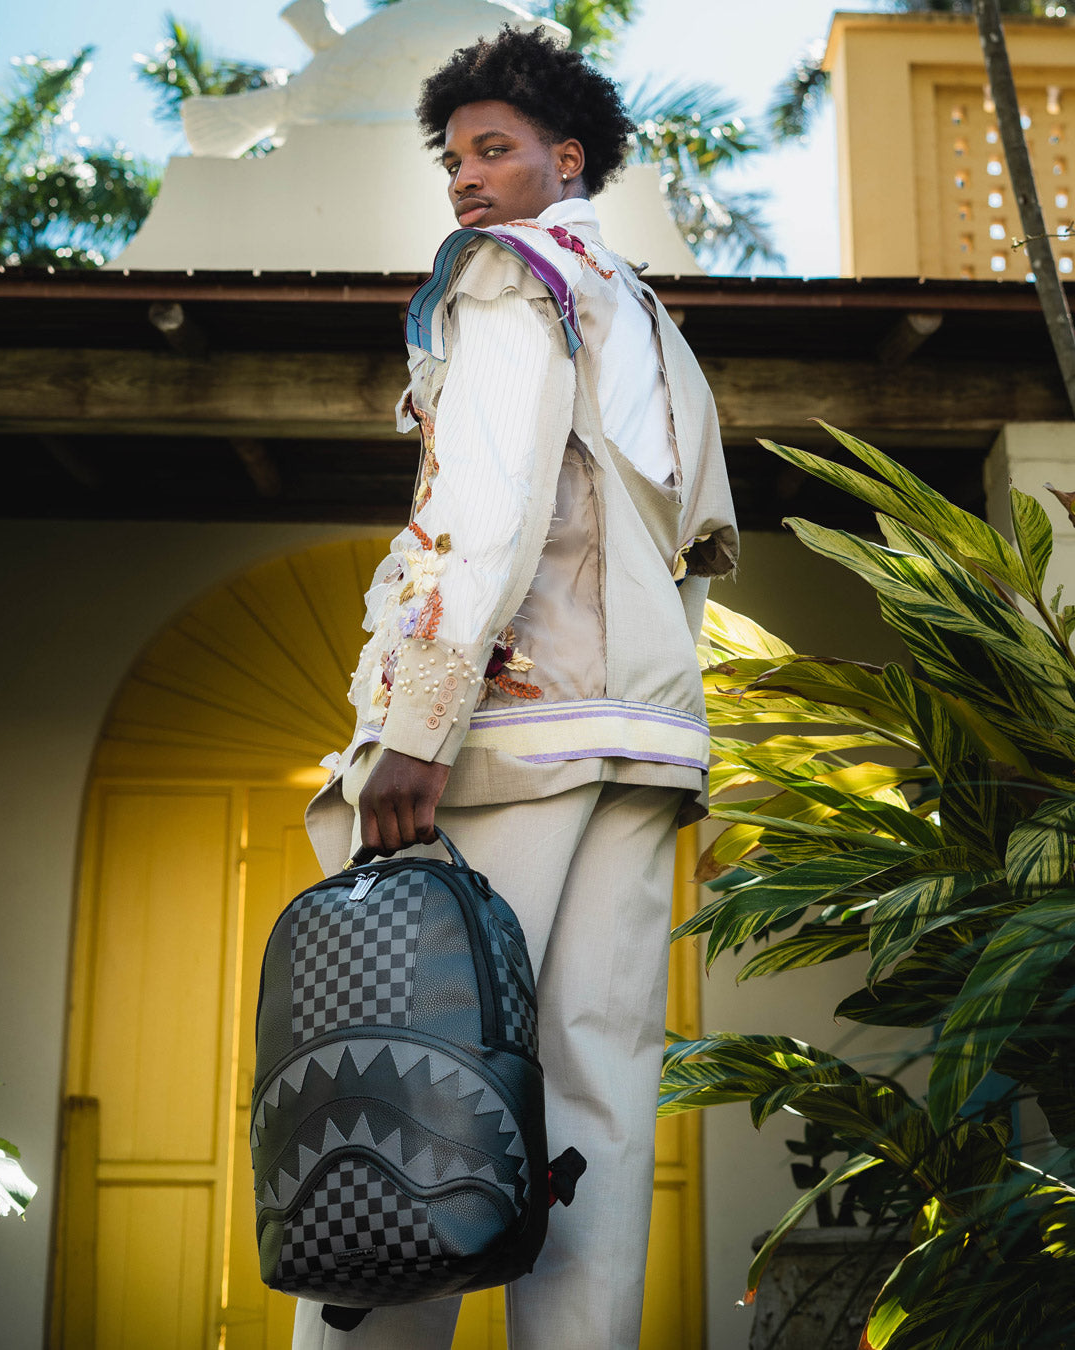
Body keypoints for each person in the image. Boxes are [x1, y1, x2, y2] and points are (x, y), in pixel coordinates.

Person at [298, 24, 738, 1350]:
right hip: (645, 740)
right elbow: (694, 551)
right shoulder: (648, 320)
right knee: (597, 1094)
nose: (467, 180)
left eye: (494, 150)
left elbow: (483, 506)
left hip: (511, 731)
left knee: (407, 1057)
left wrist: (416, 724)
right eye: (453, 160)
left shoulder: (506, 277)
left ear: (569, 158)